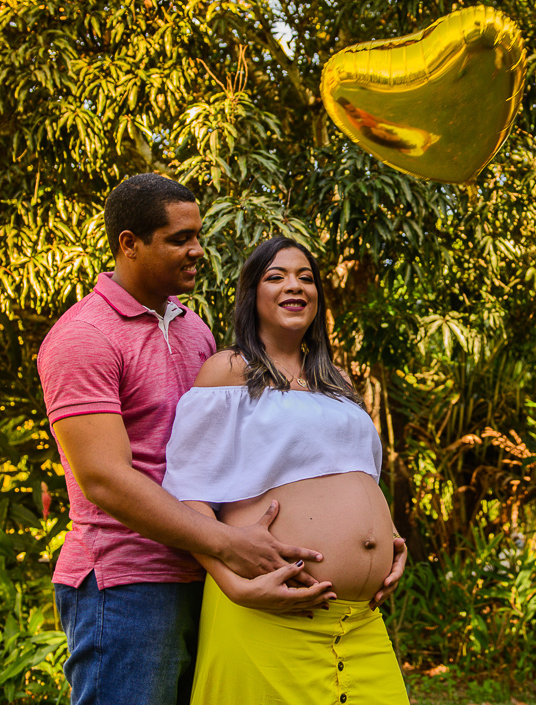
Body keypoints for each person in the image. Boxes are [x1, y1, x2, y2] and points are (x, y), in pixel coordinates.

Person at [37, 176, 333, 705]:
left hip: (208, 575)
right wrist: (224, 541)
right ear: (129, 244)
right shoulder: (84, 336)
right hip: (130, 583)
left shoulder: (194, 329)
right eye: (180, 239)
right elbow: (105, 479)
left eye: (198, 236)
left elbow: (221, 455)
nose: (198, 250)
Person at [162, 235, 409, 705]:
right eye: (276, 276)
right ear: (252, 294)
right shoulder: (228, 371)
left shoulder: (338, 382)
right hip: (268, 611)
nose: (294, 285)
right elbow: (186, 491)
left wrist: (389, 540)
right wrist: (234, 585)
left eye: (306, 277)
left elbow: (356, 478)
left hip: (360, 621)